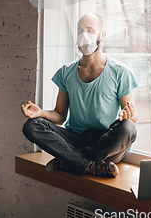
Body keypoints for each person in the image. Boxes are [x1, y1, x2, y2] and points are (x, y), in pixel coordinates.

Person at [21, 12, 138, 177]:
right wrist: (41, 113)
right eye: (79, 30)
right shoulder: (66, 72)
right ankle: (87, 164)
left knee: (129, 127)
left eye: (90, 30)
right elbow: (60, 115)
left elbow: (132, 117)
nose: (84, 35)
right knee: (32, 126)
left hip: (105, 143)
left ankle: (71, 161)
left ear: (102, 35)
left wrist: (129, 115)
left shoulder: (120, 72)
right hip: (75, 138)